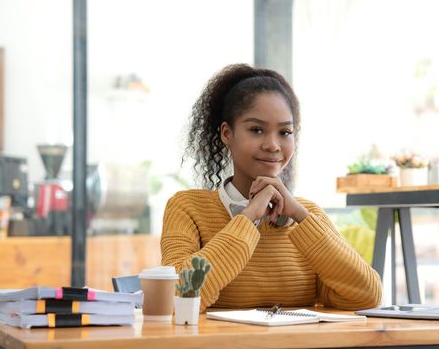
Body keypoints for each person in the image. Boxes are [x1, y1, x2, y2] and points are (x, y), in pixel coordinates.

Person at [161, 64, 382, 312]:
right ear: (227, 133)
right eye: (257, 130)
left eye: (285, 132)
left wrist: (300, 215)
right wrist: (248, 218)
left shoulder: (307, 216)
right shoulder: (188, 208)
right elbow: (176, 295)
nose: (273, 145)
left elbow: (366, 295)